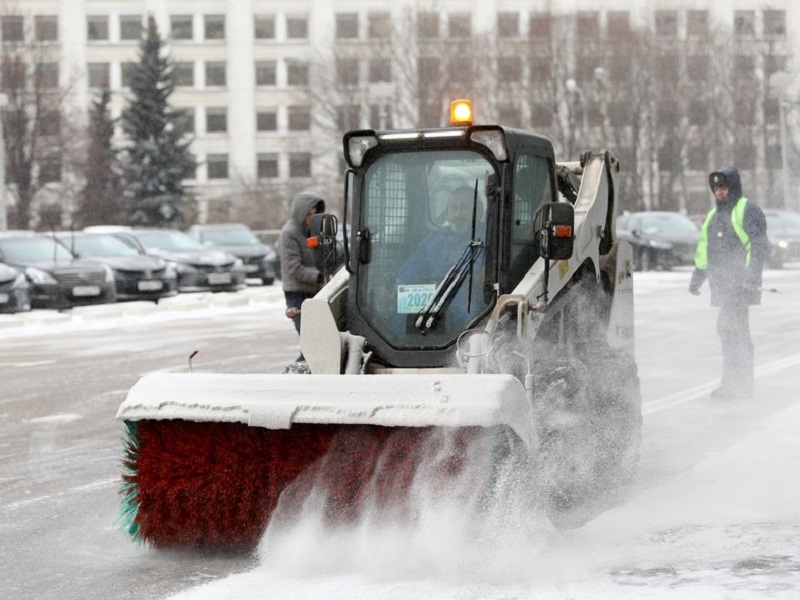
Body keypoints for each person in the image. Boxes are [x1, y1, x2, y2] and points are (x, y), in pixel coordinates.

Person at [689, 166, 769, 400]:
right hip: (723, 285)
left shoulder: (746, 210)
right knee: (728, 331)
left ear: (733, 187)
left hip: (740, 285)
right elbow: (705, 250)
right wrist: (698, 277)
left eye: (723, 187)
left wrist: (751, 276)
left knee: (734, 331)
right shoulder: (714, 217)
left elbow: (758, 246)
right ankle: (733, 384)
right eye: (715, 188)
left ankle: (740, 386)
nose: (719, 192)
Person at [279, 191, 327, 347]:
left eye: (315, 214)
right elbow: (293, 268)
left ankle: (307, 367)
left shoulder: (313, 231)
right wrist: (320, 276)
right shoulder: (289, 234)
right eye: (309, 214)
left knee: (319, 340)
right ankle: (299, 369)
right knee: (311, 342)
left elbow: (332, 252)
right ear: (301, 213)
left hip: (316, 292)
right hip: (297, 294)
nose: (312, 218)